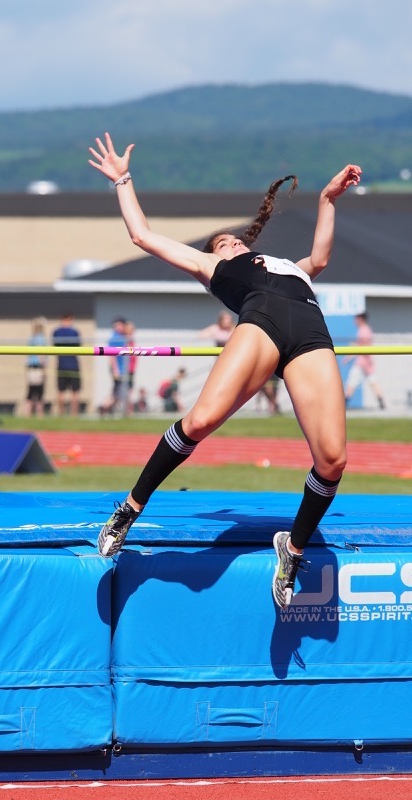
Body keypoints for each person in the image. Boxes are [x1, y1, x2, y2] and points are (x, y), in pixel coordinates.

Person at [89, 131, 361, 609]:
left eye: (234, 237)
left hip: (311, 334)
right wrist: (123, 180)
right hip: (261, 323)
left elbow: (319, 258)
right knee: (199, 422)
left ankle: (292, 548)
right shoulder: (209, 266)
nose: (230, 242)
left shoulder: (290, 266)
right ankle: (129, 509)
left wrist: (327, 198)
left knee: (333, 460)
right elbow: (142, 236)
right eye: (221, 242)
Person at [343, 312, 386, 410]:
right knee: (372, 381)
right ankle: (381, 402)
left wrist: (348, 357)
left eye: (356, 319)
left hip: (362, 361)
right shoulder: (365, 330)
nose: (355, 321)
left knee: (352, 381)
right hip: (366, 361)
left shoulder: (364, 330)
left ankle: (345, 403)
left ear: (361, 319)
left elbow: (361, 346)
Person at [52, 313, 82, 415]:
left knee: (67, 391)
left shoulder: (57, 332)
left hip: (66, 365)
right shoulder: (73, 332)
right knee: (70, 391)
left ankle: (67, 414)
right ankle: (71, 414)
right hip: (69, 365)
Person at [25, 316, 48, 416]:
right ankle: (39, 414)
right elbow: (41, 354)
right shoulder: (40, 339)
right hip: (37, 367)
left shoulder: (32, 338)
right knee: (39, 392)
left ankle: (28, 413)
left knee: (30, 391)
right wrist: (44, 368)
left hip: (31, 367)